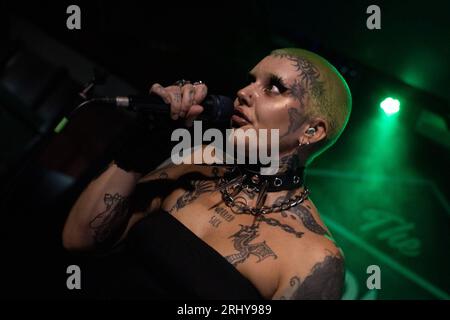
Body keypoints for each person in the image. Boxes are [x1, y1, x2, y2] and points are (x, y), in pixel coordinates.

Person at [62, 48, 352, 300]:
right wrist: (145, 139)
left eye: (274, 88)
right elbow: (79, 238)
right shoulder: (200, 161)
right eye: (252, 81)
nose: (243, 93)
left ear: (312, 131)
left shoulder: (315, 256)